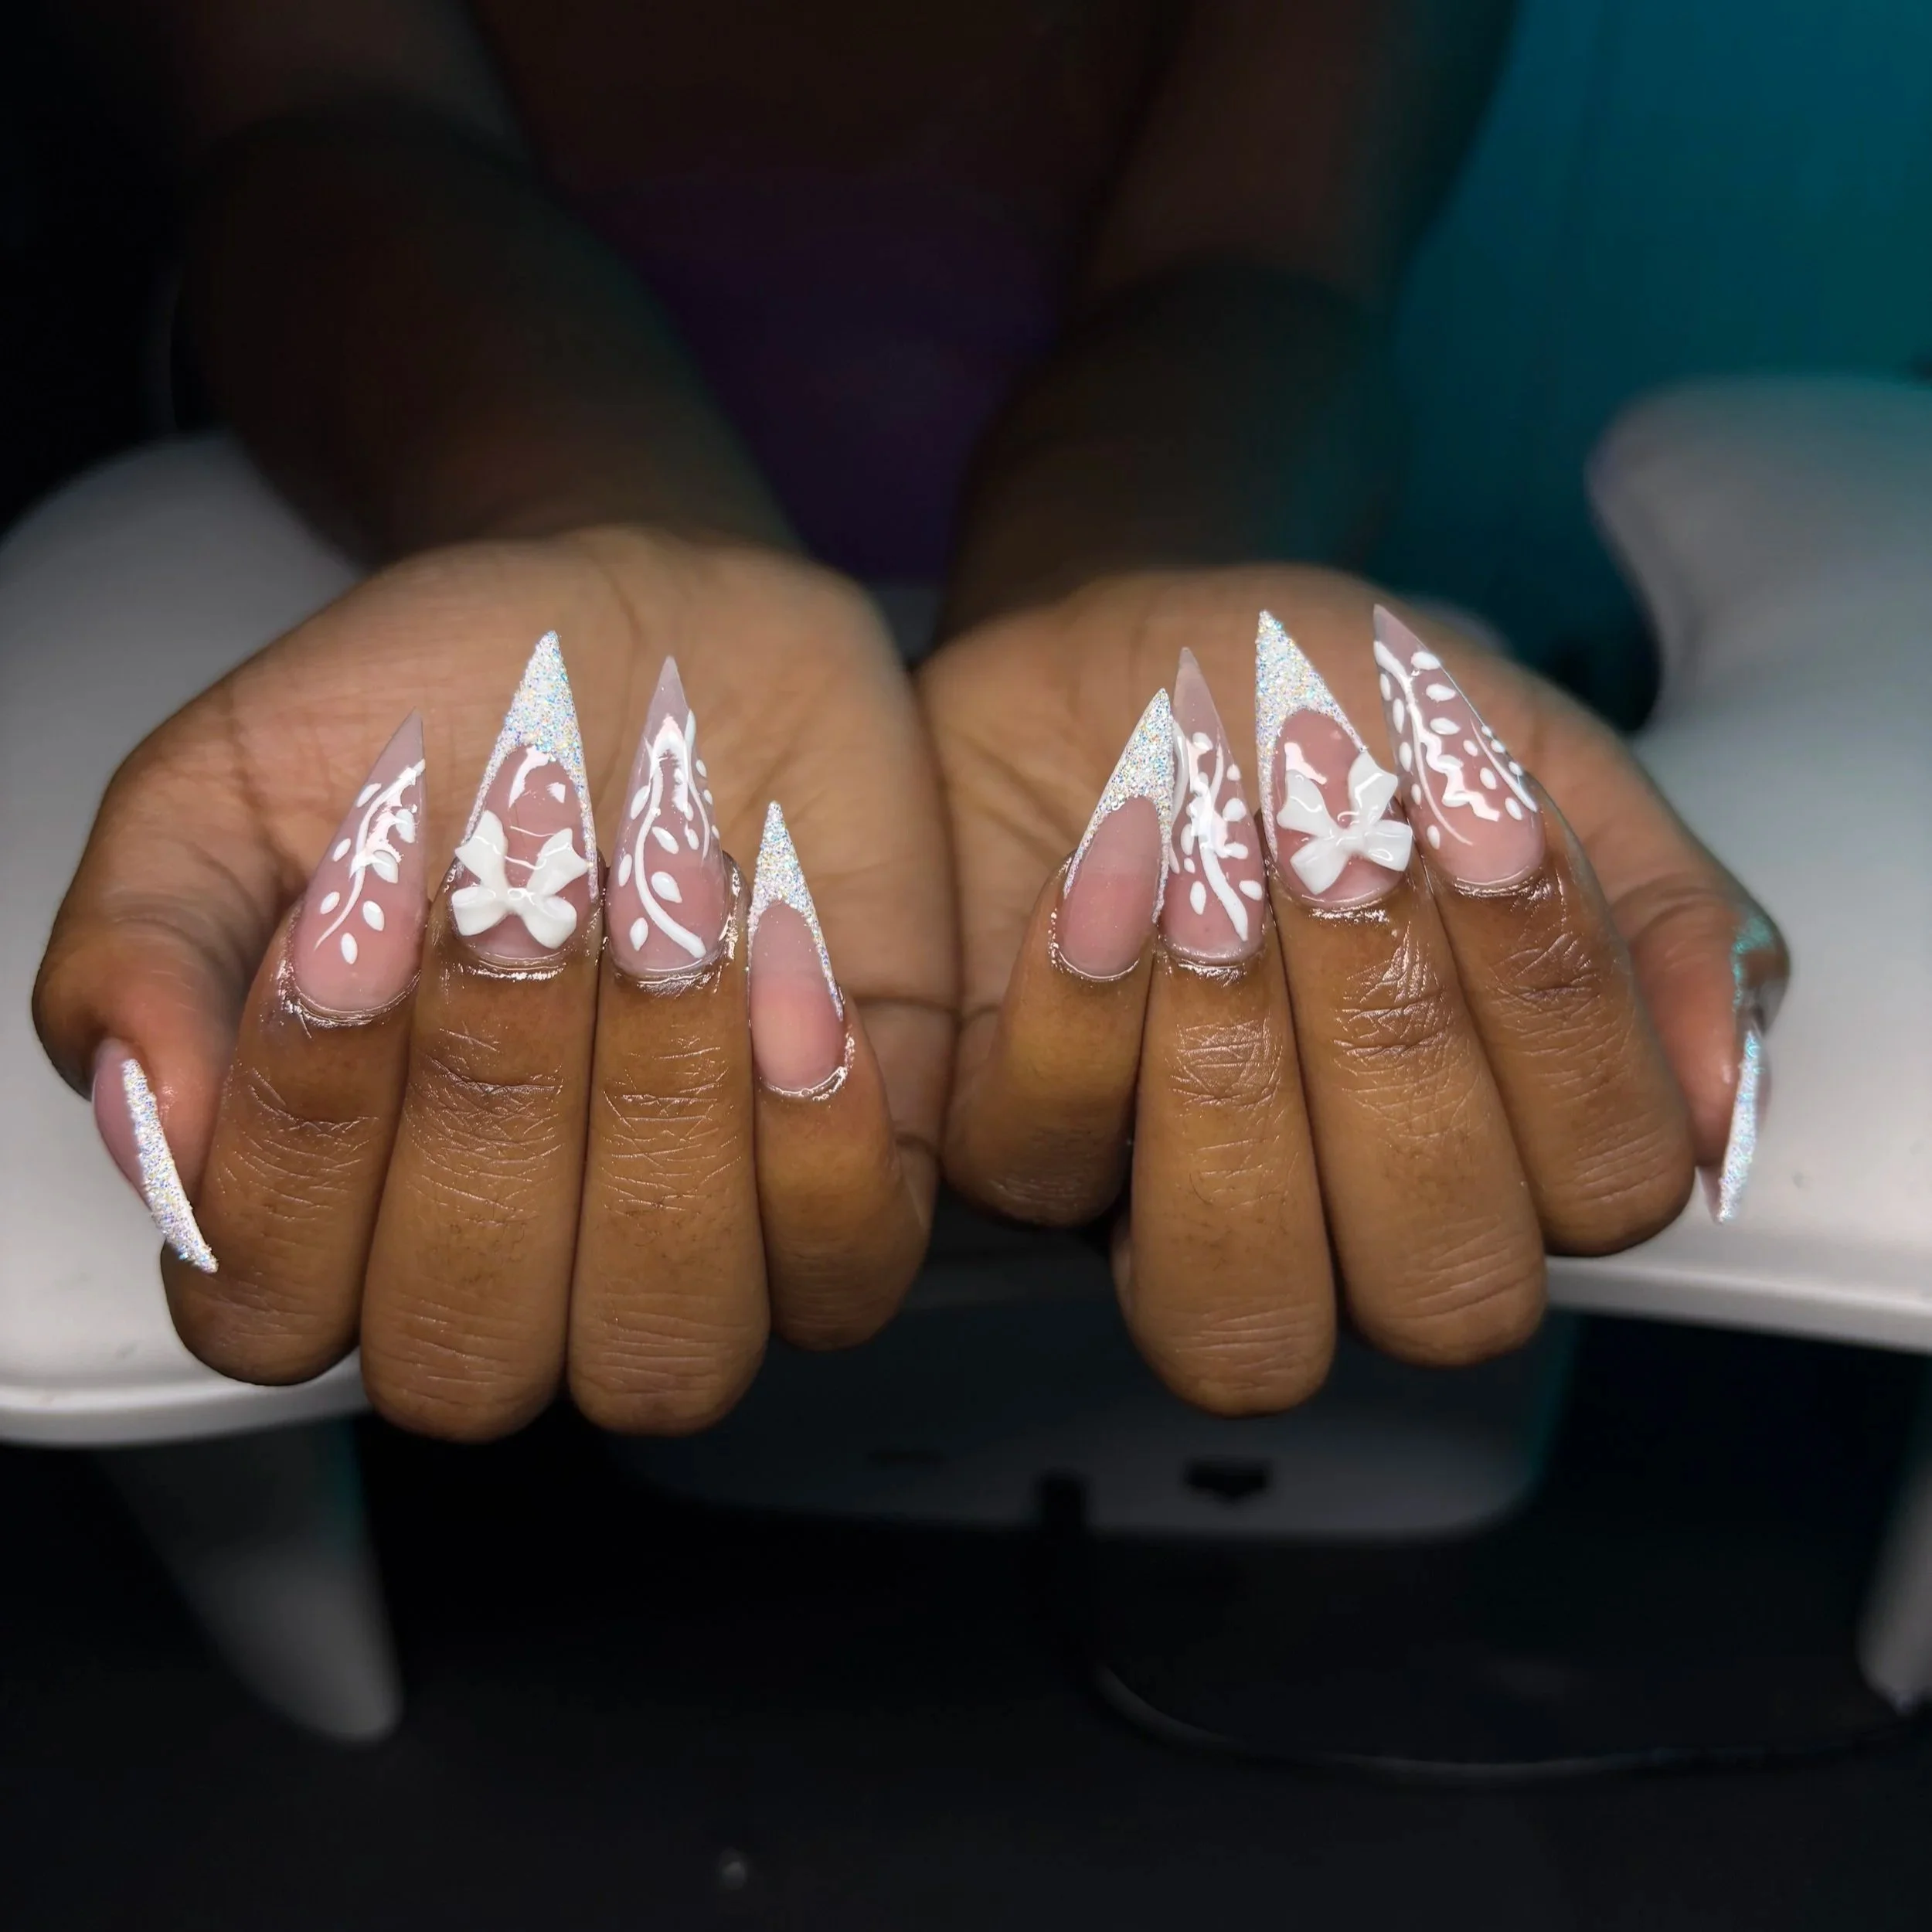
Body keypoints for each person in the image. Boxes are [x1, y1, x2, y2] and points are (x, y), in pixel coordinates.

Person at [33, 0, 1783, 1439]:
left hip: (1105, 515)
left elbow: (1262, 270)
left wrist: (1117, 588)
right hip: (428, 487)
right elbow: (323, 144)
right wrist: (610, 533)